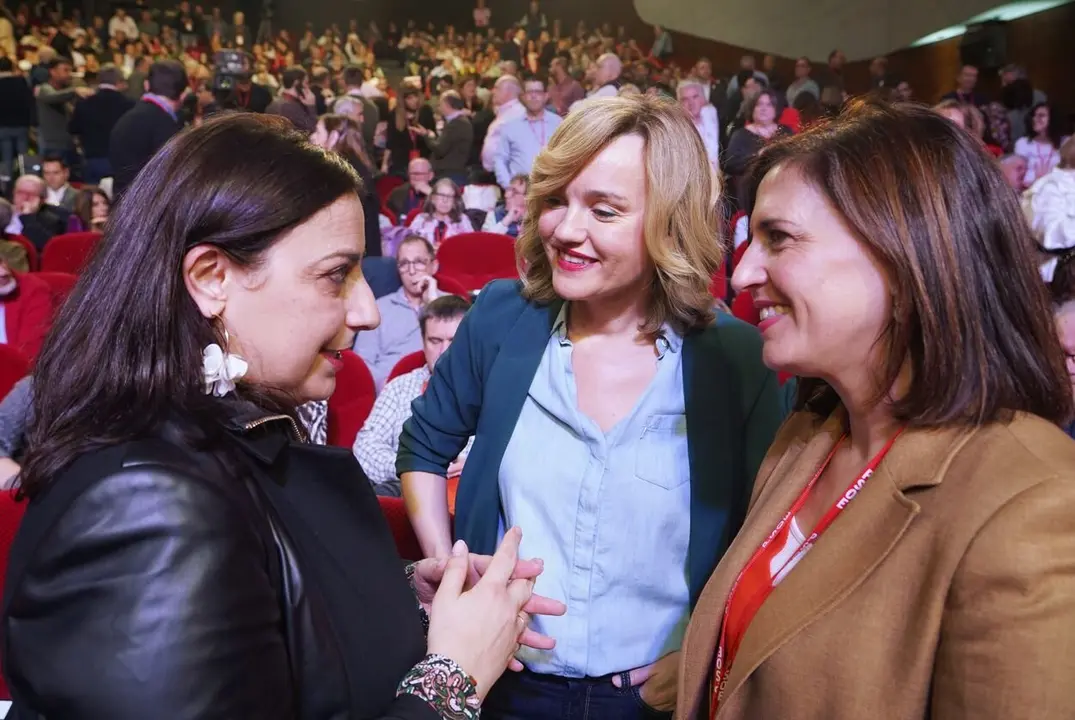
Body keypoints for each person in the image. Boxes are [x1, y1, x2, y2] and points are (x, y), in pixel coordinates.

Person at [2, 113, 565, 720]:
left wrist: (390, 594)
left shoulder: (218, 446)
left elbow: (254, 602)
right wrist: (453, 679)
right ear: (212, 278)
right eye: (335, 275)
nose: (367, 312)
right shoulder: (144, 500)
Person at [677, 99, 1075, 719]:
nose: (743, 272)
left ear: (904, 251)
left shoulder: (1031, 500)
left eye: (778, 237)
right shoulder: (813, 428)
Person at [399, 94, 787, 720]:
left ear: (669, 222)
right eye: (556, 199)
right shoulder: (502, 318)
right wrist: (447, 569)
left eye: (603, 210)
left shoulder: (734, 359)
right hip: (507, 685)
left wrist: (706, 652)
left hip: (653, 699)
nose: (566, 230)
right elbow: (424, 442)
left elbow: (771, 535)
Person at [354, 294, 472, 497]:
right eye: (435, 341)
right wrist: (415, 467)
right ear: (423, 341)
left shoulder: (488, 387)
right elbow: (365, 448)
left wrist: (469, 462)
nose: (444, 351)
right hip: (405, 494)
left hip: (469, 494)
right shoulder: (400, 387)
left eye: (454, 340)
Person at [109, 59, 187, 196]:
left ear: (146, 85)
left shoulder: (127, 118)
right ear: (183, 94)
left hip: (124, 205)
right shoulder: (166, 126)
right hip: (146, 208)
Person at [310, 113, 382, 257]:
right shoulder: (356, 165)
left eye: (318, 132)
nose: (312, 137)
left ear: (334, 136)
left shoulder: (340, 171)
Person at [407, 178, 474, 248]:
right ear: (433, 199)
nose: (445, 200)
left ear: (454, 202)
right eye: (441, 195)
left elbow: (471, 246)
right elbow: (409, 245)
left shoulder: (462, 220)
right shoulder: (421, 219)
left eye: (450, 196)